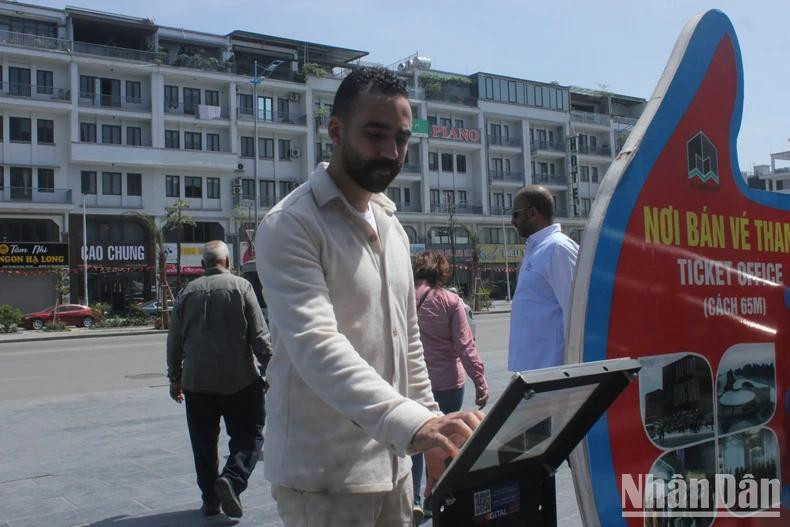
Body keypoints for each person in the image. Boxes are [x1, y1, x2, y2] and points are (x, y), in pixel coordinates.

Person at [256, 67, 483, 527]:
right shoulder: (292, 224)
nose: (391, 152)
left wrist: (435, 432)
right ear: (335, 131)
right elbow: (315, 345)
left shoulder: (392, 226)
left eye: (401, 138)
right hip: (322, 477)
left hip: (395, 468)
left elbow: (409, 345)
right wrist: (414, 424)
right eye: (375, 134)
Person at [166, 240, 271, 518]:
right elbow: (259, 336)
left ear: (203, 265)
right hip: (240, 380)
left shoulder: (186, 292)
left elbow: (174, 340)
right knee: (249, 433)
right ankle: (232, 479)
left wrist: (174, 378)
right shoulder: (241, 287)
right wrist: (270, 369)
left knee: (202, 443)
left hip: (196, 382)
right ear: (227, 262)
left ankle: (210, 501)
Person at [410, 251, 489, 520]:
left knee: (413, 439)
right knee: (444, 440)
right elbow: (465, 347)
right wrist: (480, 381)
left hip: (412, 383)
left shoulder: (401, 298)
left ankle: (413, 498)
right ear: (441, 272)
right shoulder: (451, 301)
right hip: (447, 385)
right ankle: (437, 496)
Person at [508, 185, 579, 372]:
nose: (512, 221)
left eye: (515, 214)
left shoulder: (558, 248)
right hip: (530, 373)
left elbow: (576, 316)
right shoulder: (537, 249)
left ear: (532, 213)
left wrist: (573, 373)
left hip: (551, 374)